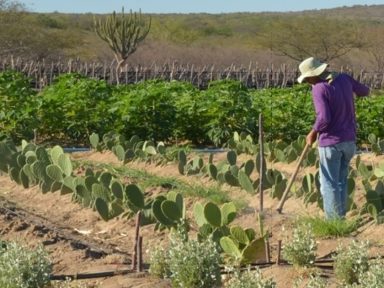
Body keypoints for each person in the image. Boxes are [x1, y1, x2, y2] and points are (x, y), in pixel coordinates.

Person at [297, 57, 370, 219]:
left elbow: (324, 118)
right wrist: (346, 96)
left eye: (308, 78)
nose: (308, 82)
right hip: (349, 141)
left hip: (330, 142)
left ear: (315, 75)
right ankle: (341, 218)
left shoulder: (319, 88)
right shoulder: (344, 78)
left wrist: (312, 133)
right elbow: (365, 91)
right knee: (341, 181)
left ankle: (332, 221)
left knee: (329, 184)